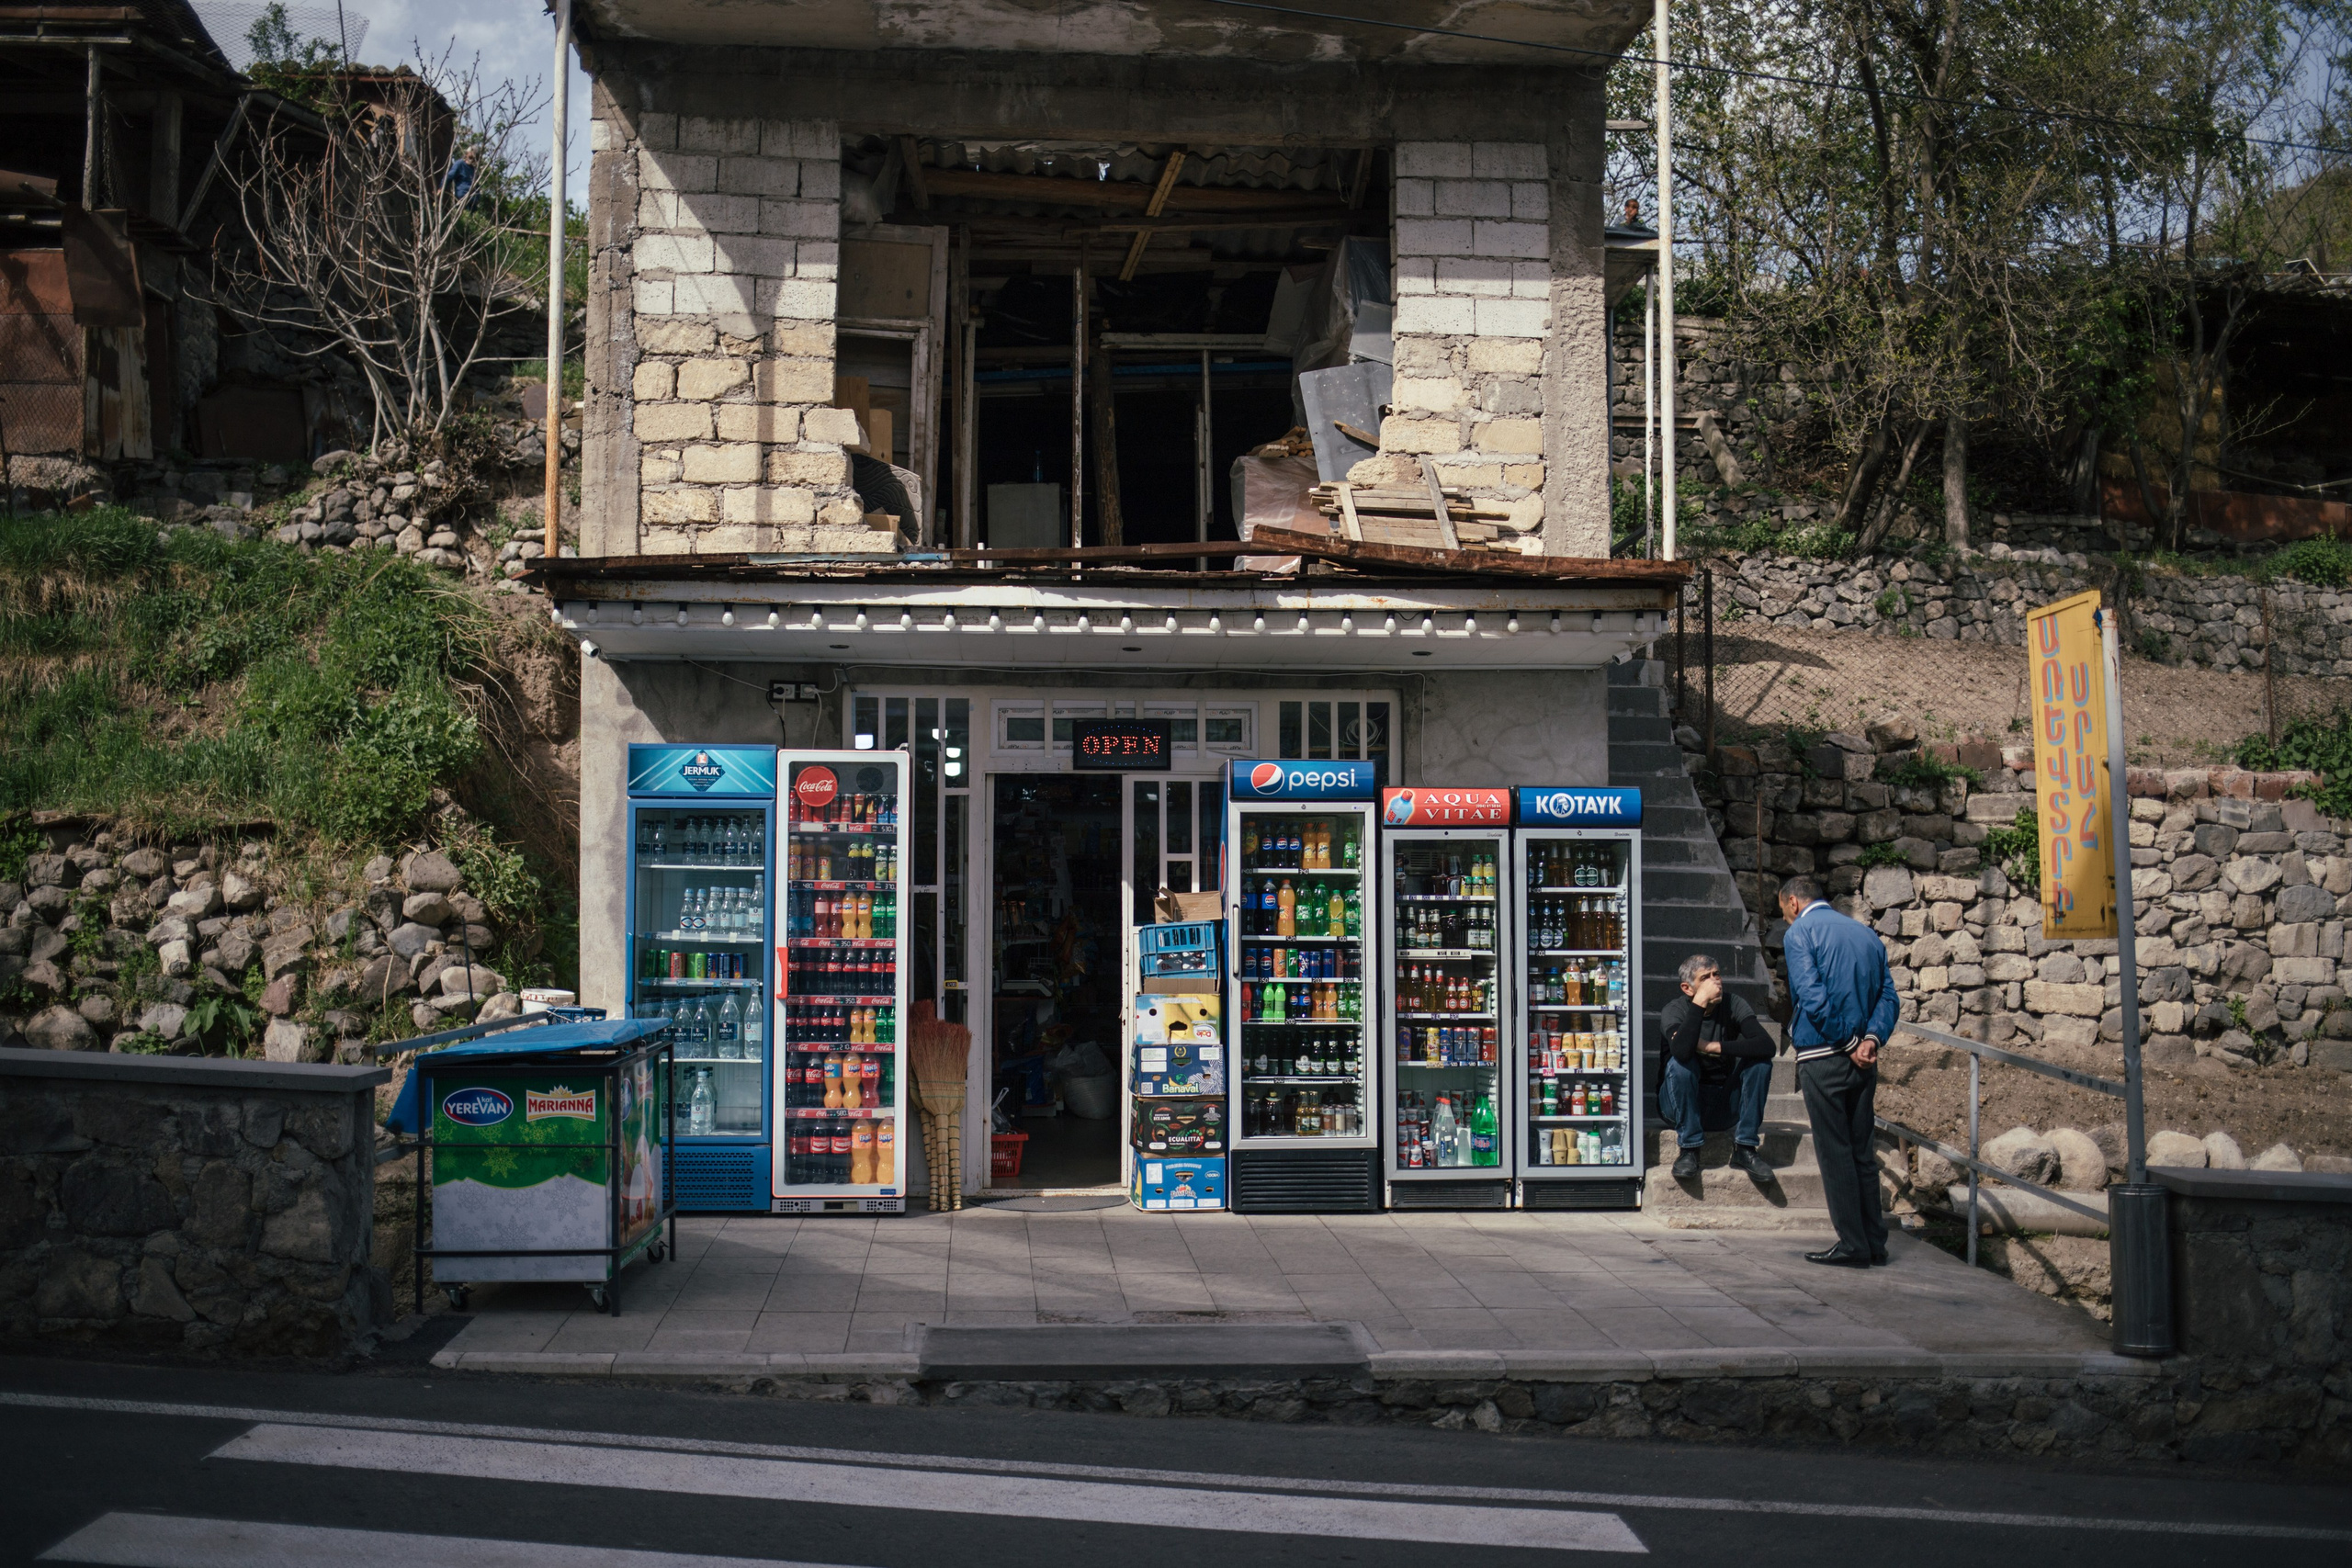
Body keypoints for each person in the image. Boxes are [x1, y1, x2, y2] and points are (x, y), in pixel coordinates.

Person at [1778, 874, 1900, 1267]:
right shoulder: (1866, 936)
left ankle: (1852, 1244)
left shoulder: (1800, 935)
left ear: (1794, 902)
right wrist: (1871, 1040)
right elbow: (1888, 996)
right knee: (1862, 1152)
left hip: (1824, 1055)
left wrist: (1847, 1043)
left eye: (1783, 911)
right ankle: (1874, 1243)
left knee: (1835, 1152)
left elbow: (1812, 995)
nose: (1785, 918)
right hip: (1864, 1058)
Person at [1657, 953, 1777, 1183]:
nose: (1715, 982)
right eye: (1706, 978)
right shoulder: (1674, 1010)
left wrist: (1713, 1047)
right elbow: (1681, 1051)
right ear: (1687, 988)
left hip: (1721, 1105)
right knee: (1681, 1064)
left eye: (1717, 975)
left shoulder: (1734, 1004)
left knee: (1760, 1063)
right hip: (1677, 1106)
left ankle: (1745, 1148)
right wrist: (1699, 1003)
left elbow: (1767, 1045)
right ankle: (1689, 1148)